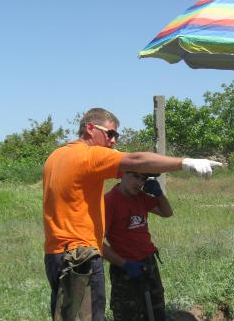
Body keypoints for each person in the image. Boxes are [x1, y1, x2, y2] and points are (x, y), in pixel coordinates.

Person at [43, 107, 221, 321]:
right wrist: (183, 162)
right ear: (90, 128)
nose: (114, 141)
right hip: (79, 257)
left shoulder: (57, 155)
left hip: (57, 254)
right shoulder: (88, 156)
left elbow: (140, 176)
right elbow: (135, 160)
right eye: (111, 134)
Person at [104, 173, 171, 321]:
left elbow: (167, 212)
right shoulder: (109, 201)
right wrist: (124, 264)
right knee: (129, 314)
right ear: (122, 175)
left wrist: (159, 194)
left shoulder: (140, 197)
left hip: (148, 263)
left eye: (143, 179)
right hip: (126, 269)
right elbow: (96, 242)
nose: (139, 182)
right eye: (135, 176)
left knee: (157, 312)